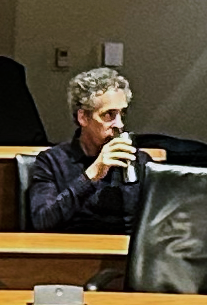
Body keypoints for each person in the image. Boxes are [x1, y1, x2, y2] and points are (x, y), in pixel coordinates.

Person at [23, 65, 145, 231]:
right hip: (72, 252)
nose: (119, 125)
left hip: (126, 253)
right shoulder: (52, 162)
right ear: (83, 117)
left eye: (122, 114)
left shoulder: (139, 162)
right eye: (109, 115)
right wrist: (92, 175)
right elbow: (42, 221)